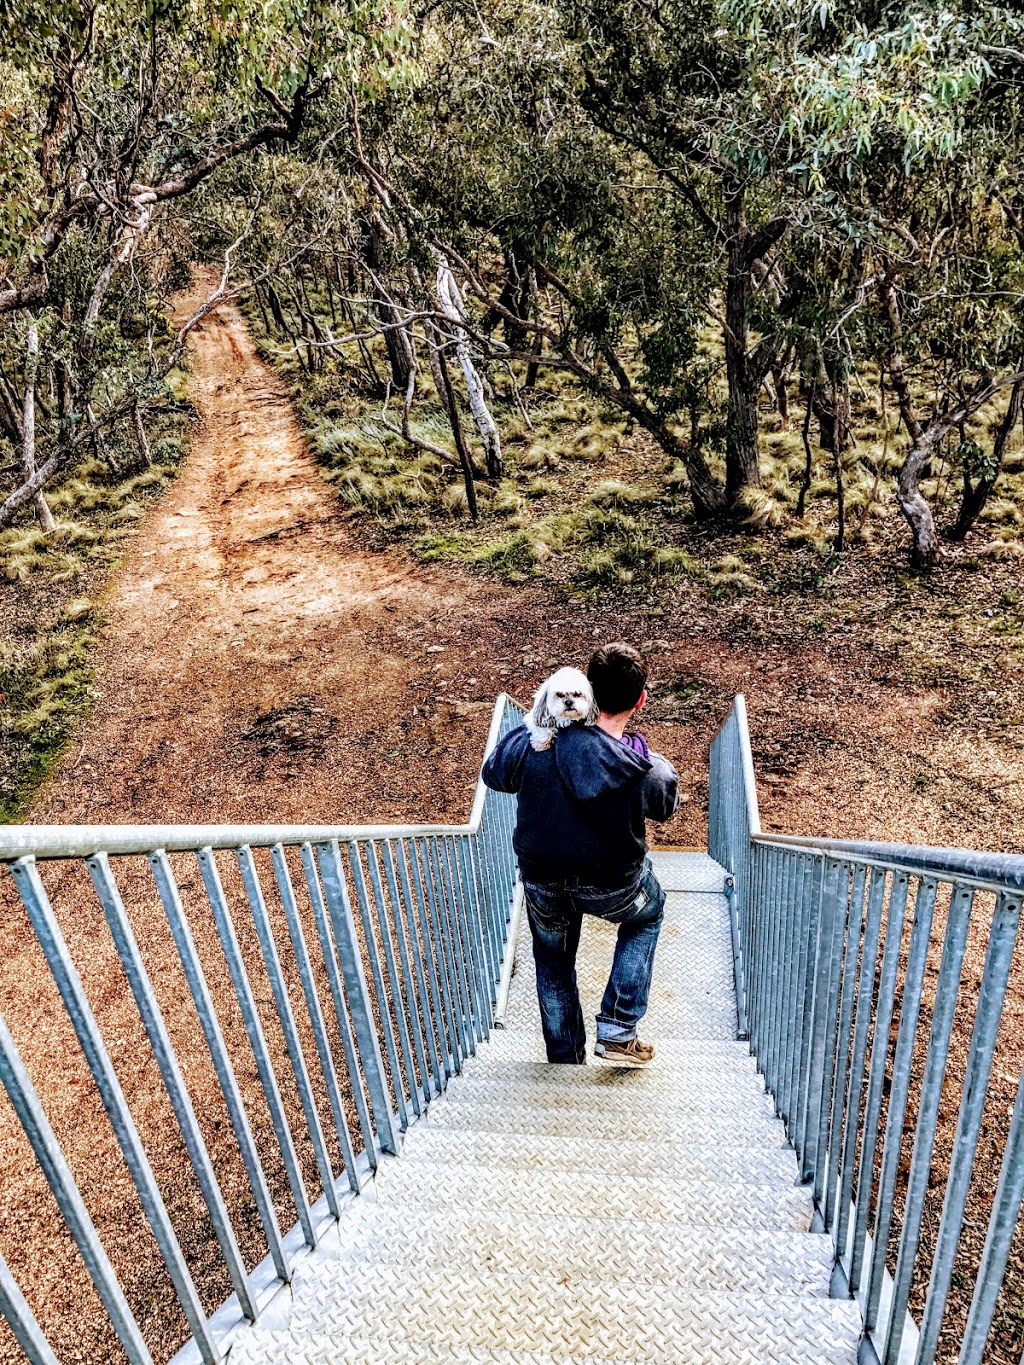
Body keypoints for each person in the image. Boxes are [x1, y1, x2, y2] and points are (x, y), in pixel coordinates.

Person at [482, 642, 678, 1065]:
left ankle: (565, 1060)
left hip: (543, 879)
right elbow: (663, 806)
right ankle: (619, 1027)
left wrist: (536, 723)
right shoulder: (642, 763)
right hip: (615, 884)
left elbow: (493, 773)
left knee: (553, 965)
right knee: (649, 911)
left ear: (586, 689)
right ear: (641, 699)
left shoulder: (537, 741)